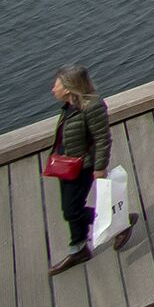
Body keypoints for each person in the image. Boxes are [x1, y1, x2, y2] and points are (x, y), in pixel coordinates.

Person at [46, 64, 114, 272]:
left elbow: (102, 139)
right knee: (71, 208)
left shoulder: (92, 107)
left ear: (68, 88)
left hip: (82, 167)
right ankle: (78, 248)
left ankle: (118, 222)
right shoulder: (69, 106)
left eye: (56, 85)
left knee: (72, 211)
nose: (53, 89)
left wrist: (100, 167)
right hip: (66, 166)